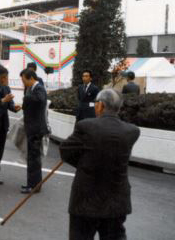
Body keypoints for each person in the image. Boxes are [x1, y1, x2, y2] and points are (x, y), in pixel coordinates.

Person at [60, 89, 140, 240]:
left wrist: (85, 163)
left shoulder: (86, 126)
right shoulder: (131, 131)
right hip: (116, 202)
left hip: (86, 200)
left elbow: (65, 150)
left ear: (100, 106)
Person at [19, 69, 48, 194]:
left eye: (24, 80)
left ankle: (34, 186)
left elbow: (40, 100)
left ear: (30, 78)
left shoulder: (39, 88)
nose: (23, 83)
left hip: (36, 129)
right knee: (31, 158)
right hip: (32, 128)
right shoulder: (31, 89)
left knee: (34, 159)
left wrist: (26, 97)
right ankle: (32, 183)